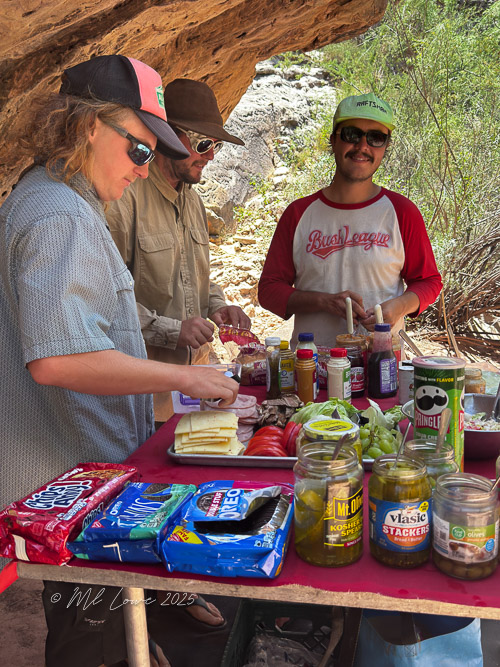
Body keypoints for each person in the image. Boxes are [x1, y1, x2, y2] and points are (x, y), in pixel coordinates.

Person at [0, 54, 238, 667]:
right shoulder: (60, 217)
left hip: (73, 475)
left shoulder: (46, 193)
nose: (144, 166)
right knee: (88, 638)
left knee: (100, 621)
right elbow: (57, 359)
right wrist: (183, 375)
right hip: (68, 485)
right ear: (86, 127)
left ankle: (134, 640)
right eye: (137, 149)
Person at [106, 78, 251, 422]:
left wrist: (218, 306)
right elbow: (105, 300)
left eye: (215, 144)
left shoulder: (194, 202)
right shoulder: (125, 200)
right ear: (167, 137)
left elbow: (194, 280)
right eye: (203, 143)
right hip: (145, 400)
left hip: (196, 392)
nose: (211, 155)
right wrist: (172, 330)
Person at [258, 92, 443, 347]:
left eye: (376, 138)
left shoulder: (402, 212)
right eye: (352, 134)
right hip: (312, 367)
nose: (363, 146)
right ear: (333, 141)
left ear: (386, 147)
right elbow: (269, 290)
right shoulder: (299, 213)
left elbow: (429, 281)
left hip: (381, 363)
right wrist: (323, 301)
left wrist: (400, 306)